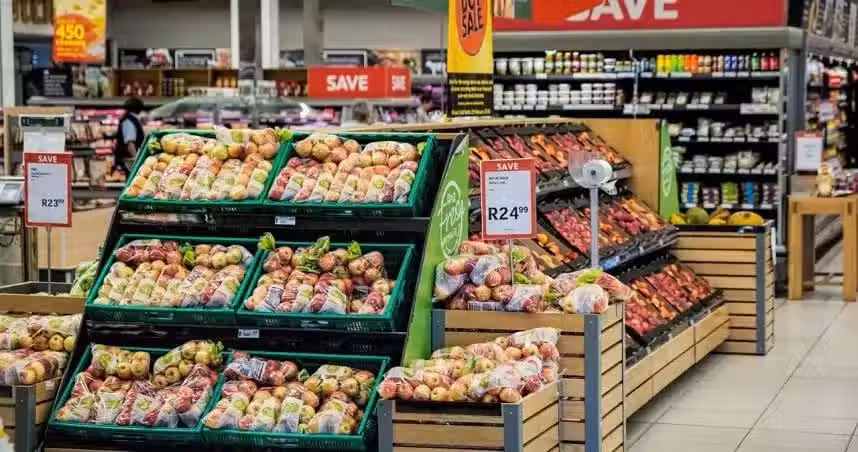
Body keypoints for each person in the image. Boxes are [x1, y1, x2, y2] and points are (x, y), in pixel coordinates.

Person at [109, 97, 145, 181]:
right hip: (129, 160)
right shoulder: (129, 121)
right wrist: (136, 160)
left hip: (128, 159)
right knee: (132, 182)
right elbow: (130, 143)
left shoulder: (130, 119)